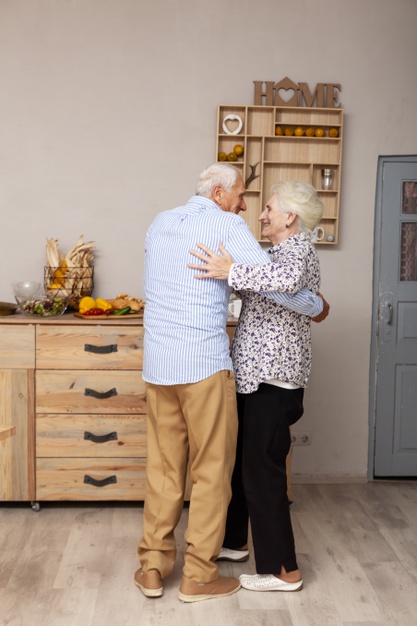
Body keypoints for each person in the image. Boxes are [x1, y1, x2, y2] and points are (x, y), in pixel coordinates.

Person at [135, 165, 325, 603]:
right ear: (219, 193)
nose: (246, 205)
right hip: (202, 365)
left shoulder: (160, 221)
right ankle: (198, 576)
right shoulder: (226, 225)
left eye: (261, 202)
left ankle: (151, 568)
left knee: (163, 471)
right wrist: (317, 305)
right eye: (241, 194)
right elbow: (278, 288)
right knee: (211, 472)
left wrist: (231, 281)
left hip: (158, 365)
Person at [188, 180, 325, 592]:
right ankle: (232, 542)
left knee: (262, 470)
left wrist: (231, 269)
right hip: (253, 375)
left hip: (274, 377)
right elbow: (265, 285)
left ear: (290, 217)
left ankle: (283, 570)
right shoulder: (273, 253)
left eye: (268, 209)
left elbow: (282, 282)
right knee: (241, 464)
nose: (261, 215)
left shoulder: (298, 251)